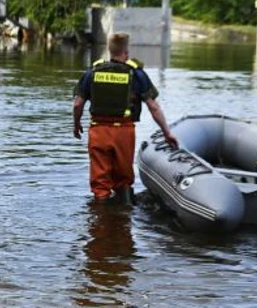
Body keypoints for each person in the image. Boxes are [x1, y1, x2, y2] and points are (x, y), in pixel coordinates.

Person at [72, 33, 178, 202]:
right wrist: (167, 133)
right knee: (123, 179)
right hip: (123, 132)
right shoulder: (136, 74)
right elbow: (153, 106)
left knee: (100, 183)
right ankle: (124, 218)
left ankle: (100, 219)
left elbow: (78, 104)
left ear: (110, 50)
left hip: (98, 130)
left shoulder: (93, 71)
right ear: (126, 52)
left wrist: (76, 124)